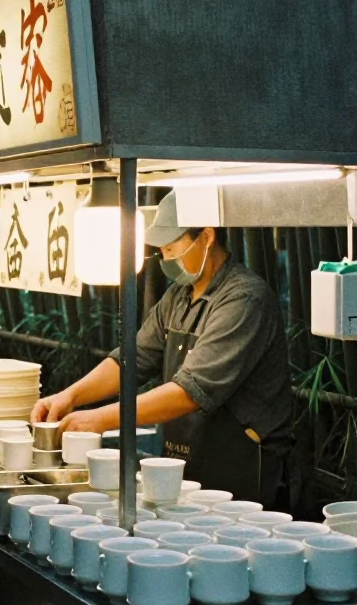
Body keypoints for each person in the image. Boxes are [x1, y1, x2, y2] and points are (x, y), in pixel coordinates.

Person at [32, 191, 292, 507]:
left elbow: (191, 391)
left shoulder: (244, 300)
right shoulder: (179, 295)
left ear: (207, 236)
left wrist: (99, 419)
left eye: (171, 248)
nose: (166, 258)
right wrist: (69, 396)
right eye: (161, 250)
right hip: (188, 457)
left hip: (242, 468)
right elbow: (133, 359)